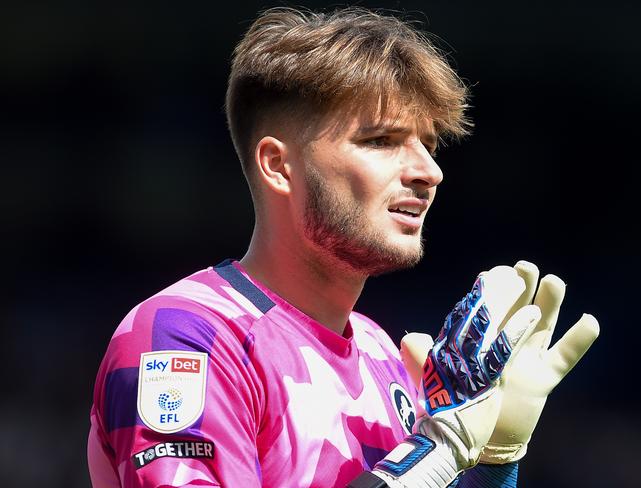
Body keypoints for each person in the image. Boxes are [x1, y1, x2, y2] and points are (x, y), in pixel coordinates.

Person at [87, 7, 598, 488]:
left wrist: (492, 463)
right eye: (380, 141)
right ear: (278, 165)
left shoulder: (382, 355)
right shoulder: (184, 339)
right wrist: (439, 449)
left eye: (429, 144)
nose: (429, 172)